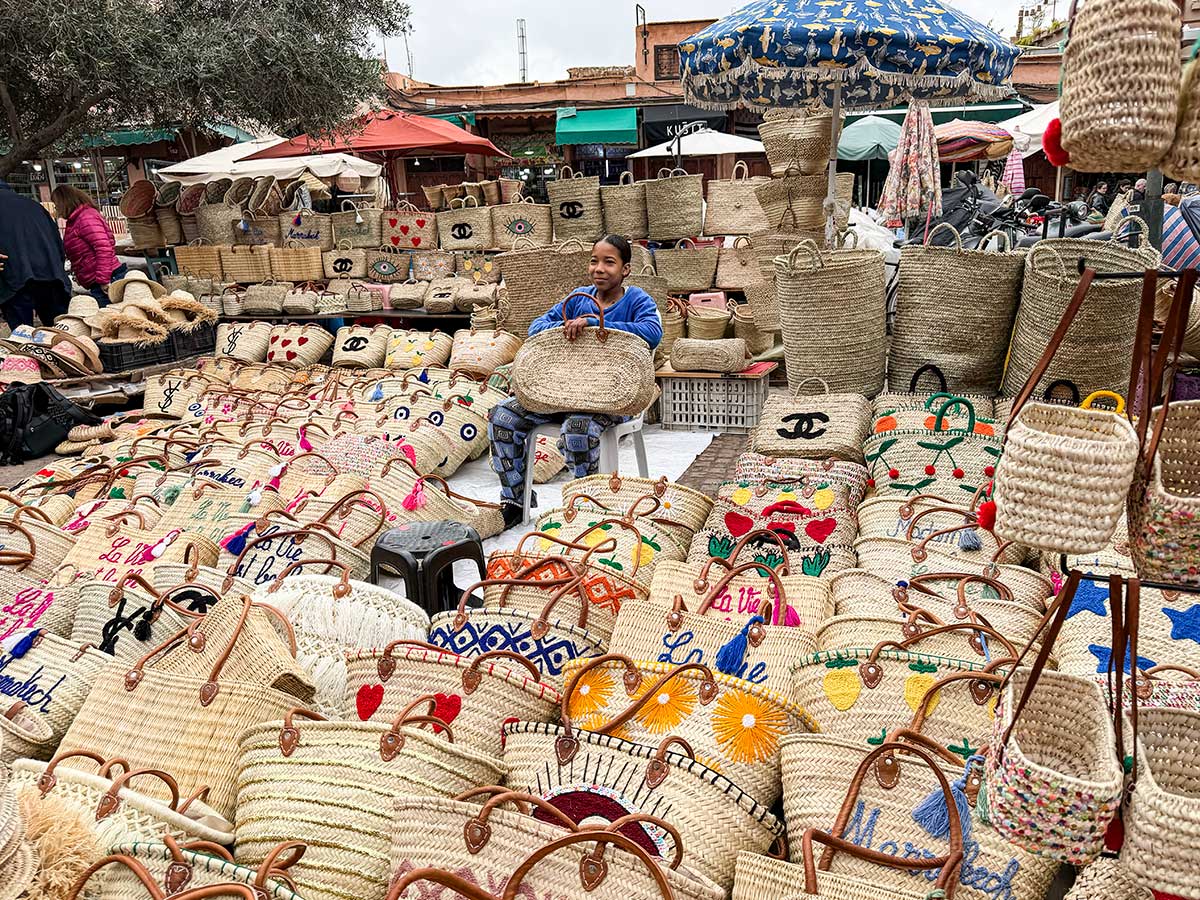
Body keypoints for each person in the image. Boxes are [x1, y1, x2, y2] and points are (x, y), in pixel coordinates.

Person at [488, 234, 662, 528]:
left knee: (576, 430)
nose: (599, 269)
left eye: (609, 262)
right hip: (561, 391)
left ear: (626, 269)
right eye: (594, 261)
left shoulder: (636, 300)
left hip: (611, 397)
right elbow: (536, 327)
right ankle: (515, 501)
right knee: (502, 416)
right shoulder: (579, 298)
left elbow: (652, 332)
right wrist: (566, 325)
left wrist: (596, 324)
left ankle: (586, 506)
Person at [0, 177, 70, 329]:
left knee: (23, 336)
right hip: (51, 276)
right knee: (60, 333)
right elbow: (58, 245)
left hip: (13, 280)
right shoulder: (33, 206)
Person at [51, 185, 125, 308]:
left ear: (65, 202)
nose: (56, 208)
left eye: (56, 204)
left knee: (114, 316)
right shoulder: (75, 220)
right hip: (100, 279)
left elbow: (104, 248)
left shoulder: (85, 217)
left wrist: (103, 280)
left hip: (107, 279)